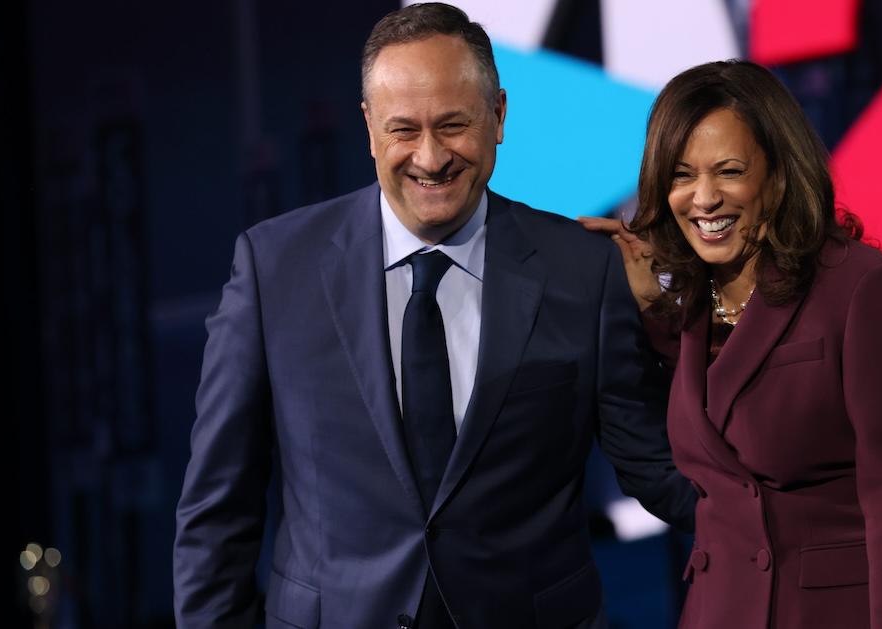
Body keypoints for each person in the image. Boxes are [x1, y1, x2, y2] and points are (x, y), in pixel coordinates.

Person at [172, 4, 695, 628]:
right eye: (403, 130)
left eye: (453, 125)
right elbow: (217, 512)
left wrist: (808, 504)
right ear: (368, 129)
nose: (430, 157)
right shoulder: (273, 269)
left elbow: (660, 472)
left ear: (498, 116)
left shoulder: (582, 269)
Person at [580, 60, 882, 628]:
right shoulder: (693, 304)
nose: (704, 198)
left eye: (729, 171)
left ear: (780, 174)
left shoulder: (867, 290)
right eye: (682, 175)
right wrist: (654, 311)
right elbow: (724, 417)